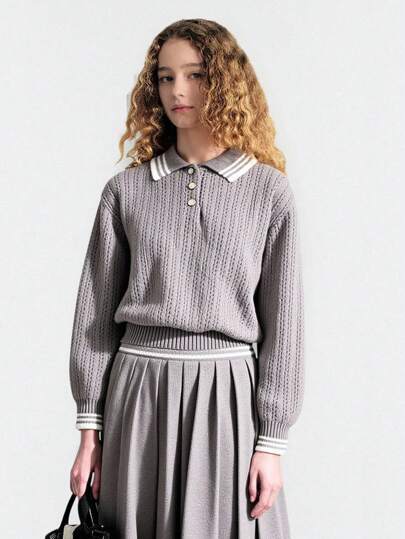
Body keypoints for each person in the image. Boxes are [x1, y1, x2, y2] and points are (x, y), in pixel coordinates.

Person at [68, 17, 305, 539]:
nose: (178, 90)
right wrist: (89, 431)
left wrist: (271, 442)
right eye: (165, 77)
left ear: (224, 83)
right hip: (138, 395)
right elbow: (94, 318)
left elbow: (284, 326)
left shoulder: (268, 192)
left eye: (195, 75)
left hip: (226, 396)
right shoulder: (125, 191)